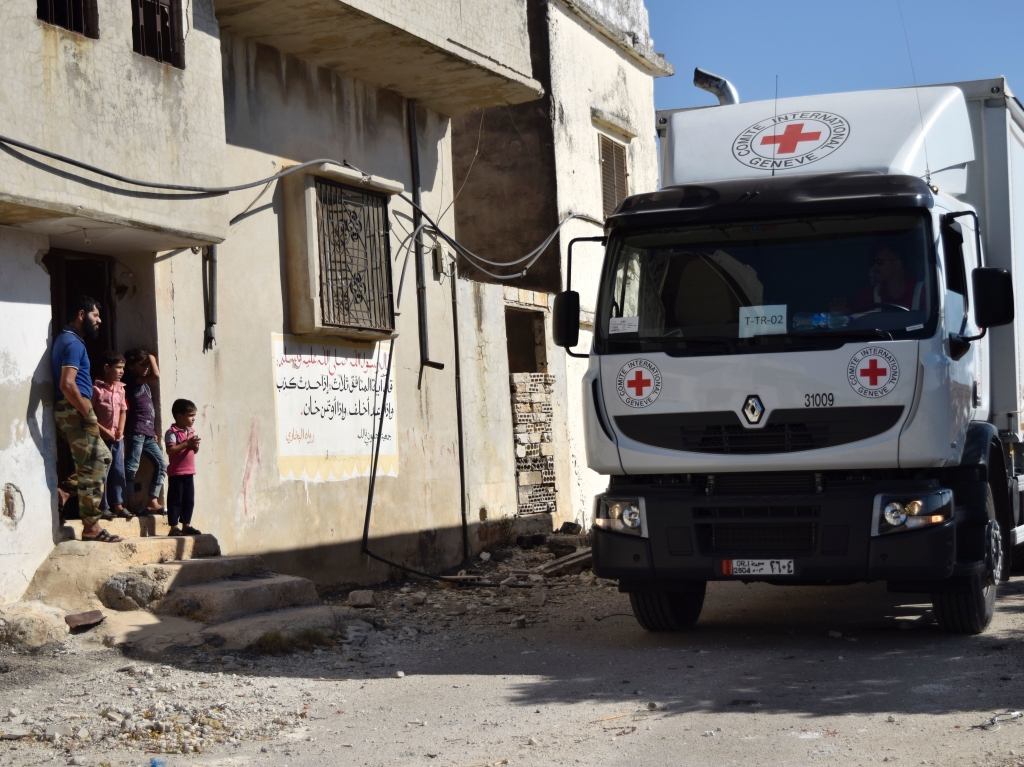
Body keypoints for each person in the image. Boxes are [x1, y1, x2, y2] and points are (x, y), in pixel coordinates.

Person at [51, 295, 117, 543]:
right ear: (81, 315)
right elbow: (67, 383)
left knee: (104, 457)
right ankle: (91, 526)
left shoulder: (67, 339)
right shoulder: (73, 343)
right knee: (93, 465)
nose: (99, 320)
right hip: (75, 408)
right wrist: (86, 411)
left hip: (72, 409)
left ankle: (65, 491)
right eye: (95, 315)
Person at [123, 348, 167, 515]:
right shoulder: (133, 380)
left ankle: (152, 500)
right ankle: (130, 500)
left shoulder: (144, 385)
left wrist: (153, 429)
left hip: (147, 432)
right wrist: (151, 357)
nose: (147, 368)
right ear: (131, 366)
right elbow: (156, 375)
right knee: (132, 466)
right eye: (143, 365)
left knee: (161, 464)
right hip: (136, 430)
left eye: (148, 365)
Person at [92, 351, 132, 520]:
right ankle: (103, 506)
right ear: (107, 368)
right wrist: (105, 431)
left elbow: (123, 410)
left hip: (117, 438)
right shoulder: (96, 389)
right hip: (101, 437)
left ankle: (118, 505)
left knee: (118, 469)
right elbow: (90, 415)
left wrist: (120, 430)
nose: (122, 371)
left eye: (123, 368)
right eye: (118, 367)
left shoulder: (121, 388)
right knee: (103, 471)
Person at [833, 246, 924, 313]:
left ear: (896, 264)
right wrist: (841, 316)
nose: (874, 267)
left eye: (879, 262)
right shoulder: (868, 295)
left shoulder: (923, 292)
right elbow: (854, 322)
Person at [164, 399, 201, 536]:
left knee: (188, 500)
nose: (193, 419)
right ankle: (174, 527)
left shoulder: (190, 431)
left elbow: (194, 451)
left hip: (189, 471)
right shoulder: (172, 432)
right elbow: (170, 450)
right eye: (190, 415)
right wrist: (186, 444)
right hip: (177, 473)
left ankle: (186, 525)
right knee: (175, 500)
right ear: (179, 416)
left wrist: (194, 446)